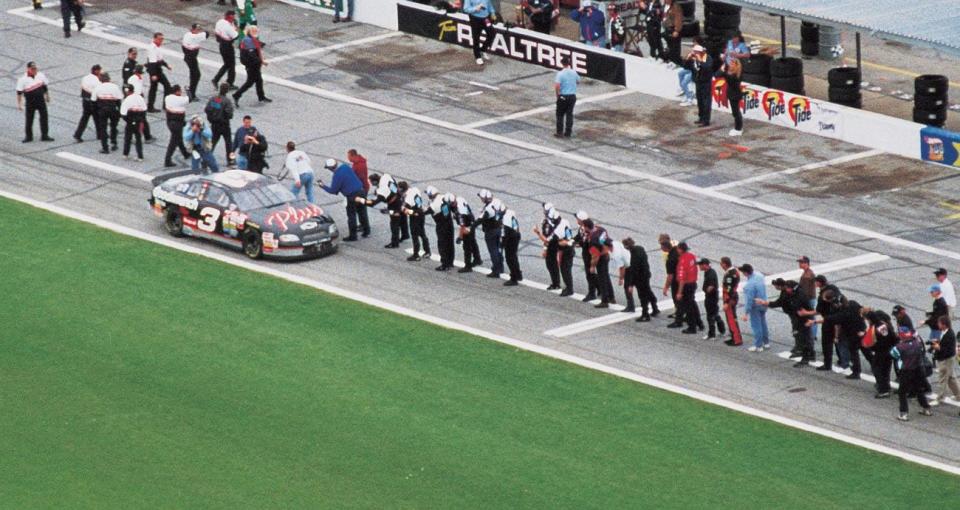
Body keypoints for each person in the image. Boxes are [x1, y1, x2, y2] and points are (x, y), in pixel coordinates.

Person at [761, 279, 815, 367]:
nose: (786, 290)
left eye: (788, 288)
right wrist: (767, 303)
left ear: (792, 288)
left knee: (805, 338)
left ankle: (806, 358)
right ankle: (804, 352)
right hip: (796, 317)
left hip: (804, 319)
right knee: (799, 335)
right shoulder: (789, 292)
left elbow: (794, 305)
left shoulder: (800, 295)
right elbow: (780, 302)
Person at [820, 293, 868, 379]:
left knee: (854, 354)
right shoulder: (853, 303)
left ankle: (856, 372)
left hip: (852, 335)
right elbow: (862, 311)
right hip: (861, 331)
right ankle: (875, 367)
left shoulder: (843, 314)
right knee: (866, 351)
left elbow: (832, 320)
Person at [890, 328, 933, 421]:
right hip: (918, 370)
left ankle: (903, 413)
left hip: (906, 371)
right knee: (919, 389)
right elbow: (922, 353)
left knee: (902, 392)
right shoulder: (917, 344)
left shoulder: (899, 347)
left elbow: (894, 355)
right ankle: (926, 408)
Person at [318, 158, 365, 241]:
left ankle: (353, 236)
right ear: (336, 164)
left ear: (330, 168)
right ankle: (366, 230)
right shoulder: (345, 166)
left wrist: (323, 186)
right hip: (361, 190)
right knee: (362, 211)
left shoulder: (336, 176)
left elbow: (333, 190)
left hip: (352, 196)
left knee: (351, 216)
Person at [359, 173, 405, 249]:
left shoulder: (382, 192)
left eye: (371, 182)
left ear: (375, 181)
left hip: (393, 204)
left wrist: (361, 200)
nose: (371, 184)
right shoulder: (386, 176)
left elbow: (372, 203)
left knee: (394, 224)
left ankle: (395, 243)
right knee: (402, 219)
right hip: (398, 197)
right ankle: (404, 235)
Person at [623, 238, 659, 321]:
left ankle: (645, 314)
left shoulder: (633, 255)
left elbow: (634, 270)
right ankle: (655, 307)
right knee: (648, 291)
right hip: (646, 274)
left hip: (640, 278)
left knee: (642, 296)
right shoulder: (640, 248)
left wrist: (631, 284)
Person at [864, 309, 897, 399]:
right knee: (886, 370)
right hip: (890, 350)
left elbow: (874, 342)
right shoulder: (884, 325)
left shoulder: (875, 328)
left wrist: (872, 347)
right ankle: (886, 386)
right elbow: (892, 337)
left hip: (881, 352)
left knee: (877, 370)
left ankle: (883, 390)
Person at [16, 62, 53, 143]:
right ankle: (28, 137)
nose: (34, 70)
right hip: (30, 102)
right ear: (28, 69)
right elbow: (19, 92)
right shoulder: (22, 79)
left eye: (35, 69)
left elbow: (44, 86)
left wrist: (47, 96)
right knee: (29, 119)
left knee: (44, 118)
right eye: (32, 69)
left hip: (41, 101)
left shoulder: (41, 75)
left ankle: (45, 135)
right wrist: (19, 104)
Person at [233, 26, 271, 105]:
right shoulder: (248, 41)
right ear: (249, 32)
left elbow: (257, 48)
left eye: (256, 31)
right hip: (251, 65)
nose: (255, 32)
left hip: (254, 64)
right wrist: (261, 61)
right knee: (250, 82)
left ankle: (261, 96)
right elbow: (252, 54)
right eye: (253, 31)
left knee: (259, 80)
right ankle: (237, 94)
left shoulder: (251, 39)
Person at [814, 275, 844, 371]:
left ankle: (827, 364)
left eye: (816, 282)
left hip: (828, 321)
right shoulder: (834, 289)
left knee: (826, 344)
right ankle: (842, 359)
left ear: (819, 283)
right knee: (838, 341)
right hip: (839, 318)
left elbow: (819, 310)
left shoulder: (822, 296)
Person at [930, 315, 960, 406]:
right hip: (948, 359)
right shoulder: (946, 332)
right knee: (951, 378)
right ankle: (959, 395)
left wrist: (938, 347)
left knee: (942, 379)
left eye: (939, 323)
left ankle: (939, 398)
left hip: (946, 360)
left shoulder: (949, 335)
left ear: (944, 325)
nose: (938, 324)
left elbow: (947, 350)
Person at [586, 219, 616, 308]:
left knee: (602, 279)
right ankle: (612, 297)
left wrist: (592, 266)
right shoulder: (601, 229)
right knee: (606, 276)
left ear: (587, 227)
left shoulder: (593, 240)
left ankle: (604, 301)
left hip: (602, 258)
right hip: (606, 255)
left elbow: (596, 256)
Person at [475, 189, 504, 278]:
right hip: (499, 228)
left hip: (491, 231)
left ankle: (496, 270)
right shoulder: (497, 202)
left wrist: (472, 227)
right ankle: (501, 267)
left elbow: (481, 220)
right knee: (498, 249)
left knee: (493, 251)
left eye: (482, 198)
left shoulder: (488, 209)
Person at [205, 83, 235, 166]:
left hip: (214, 125)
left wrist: (211, 119)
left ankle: (206, 160)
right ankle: (230, 160)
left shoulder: (213, 99)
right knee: (229, 144)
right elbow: (229, 114)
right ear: (227, 90)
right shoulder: (227, 101)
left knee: (212, 143)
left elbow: (207, 109)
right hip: (224, 125)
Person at [739, 264, 768, 352]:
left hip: (755, 306)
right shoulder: (759, 276)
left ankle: (758, 345)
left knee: (756, 326)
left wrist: (746, 313)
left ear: (746, 272)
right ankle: (766, 342)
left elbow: (749, 301)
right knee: (763, 323)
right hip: (764, 302)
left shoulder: (749, 285)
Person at [674, 242, 702, 334]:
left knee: (688, 307)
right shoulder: (691, 256)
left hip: (686, 286)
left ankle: (692, 327)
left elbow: (682, 279)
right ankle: (699, 323)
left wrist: (679, 292)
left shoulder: (682, 261)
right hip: (693, 283)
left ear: (681, 250)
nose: (677, 250)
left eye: (678, 249)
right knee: (693, 304)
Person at [400, 182, 431, 261]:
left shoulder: (408, 199)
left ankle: (416, 255)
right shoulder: (415, 190)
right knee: (422, 233)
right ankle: (427, 251)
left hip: (415, 216)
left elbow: (406, 210)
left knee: (415, 236)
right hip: (421, 213)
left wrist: (407, 211)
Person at [426, 188, 455, 271]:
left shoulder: (434, 204)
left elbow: (424, 212)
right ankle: (450, 262)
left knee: (442, 245)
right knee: (450, 243)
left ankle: (444, 264)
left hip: (441, 225)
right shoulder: (443, 197)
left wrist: (410, 212)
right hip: (449, 223)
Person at [533, 204, 561, 290]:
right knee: (554, 265)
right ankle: (556, 282)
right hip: (558, 243)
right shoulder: (558, 218)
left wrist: (538, 232)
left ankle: (555, 283)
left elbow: (546, 239)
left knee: (551, 265)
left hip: (552, 245)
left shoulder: (547, 224)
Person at [93, 72, 122, 153]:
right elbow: (119, 99)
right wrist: (120, 111)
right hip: (113, 108)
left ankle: (105, 147)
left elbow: (93, 100)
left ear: (101, 79)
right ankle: (114, 143)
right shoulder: (115, 87)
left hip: (102, 109)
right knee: (113, 127)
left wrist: (96, 111)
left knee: (103, 128)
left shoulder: (98, 87)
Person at [452, 196, 483, 271]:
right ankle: (477, 259)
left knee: (466, 247)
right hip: (471, 221)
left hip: (467, 226)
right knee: (473, 242)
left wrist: (460, 237)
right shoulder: (460, 199)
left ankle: (468, 266)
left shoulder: (460, 214)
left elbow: (463, 227)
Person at [73, 64, 102, 142]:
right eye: (99, 71)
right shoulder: (96, 80)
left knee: (84, 118)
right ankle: (100, 134)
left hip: (85, 101)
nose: (100, 72)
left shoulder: (85, 78)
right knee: (97, 118)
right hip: (93, 101)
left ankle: (78, 134)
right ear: (96, 71)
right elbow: (98, 91)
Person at [574, 211, 598, 302]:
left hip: (590, 254)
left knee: (590, 274)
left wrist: (579, 244)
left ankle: (592, 293)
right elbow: (579, 236)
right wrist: (573, 240)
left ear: (581, 220)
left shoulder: (588, 230)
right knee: (590, 273)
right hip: (587, 252)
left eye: (577, 218)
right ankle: (600, 288)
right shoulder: (582, 227)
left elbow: (585, 242)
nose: (576, 219)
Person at [163, 85, 190, 167]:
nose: (181, 92)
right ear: (177, 91)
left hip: (170, 121)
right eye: (180, 91)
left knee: (178, 138)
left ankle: (185, 153)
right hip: (177, 123)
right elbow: (190, 98)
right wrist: (188, 90)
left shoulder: (167, 98)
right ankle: (167, 160)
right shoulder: (181, 100)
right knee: (173, 142)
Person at [698, 258, 725, 339]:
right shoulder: (709, 272)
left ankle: (711, 334)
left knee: (710, 316)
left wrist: (707, 291)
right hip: (712, 296)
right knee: (715, 314)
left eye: (700, 265)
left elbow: (711, 286)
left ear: (705, 265)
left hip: (711, 297)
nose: (699, 266)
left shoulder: (710, 274)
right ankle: (722, 330)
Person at [462, 0, 495, 66]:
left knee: (492, 33)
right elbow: (466, 9)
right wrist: (476, 8)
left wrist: (492, 12)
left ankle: (483, 50)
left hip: (486, 18)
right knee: (476, 38)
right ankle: (477, 56)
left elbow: (489, 4)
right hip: (475, 19)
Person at [146, 33, 173, 113]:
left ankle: (164, 105)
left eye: (162, 39)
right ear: (154, 39)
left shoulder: (158, 48)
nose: (161, 41)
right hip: (154, 70)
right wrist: (153, 74)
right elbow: (152, 63)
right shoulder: (152, 48)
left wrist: (166, 65)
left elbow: (160, 59)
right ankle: (150, 107)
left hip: (158, 69)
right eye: (159, 39)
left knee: (166, 86)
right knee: (154, 88)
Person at [182, 24, 209, 102]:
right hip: (192, 59)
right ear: (193, 29)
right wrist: (203, 30)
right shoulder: (195, 37)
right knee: (197, 75)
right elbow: (207, 34)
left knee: (193, 73)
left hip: (187, 57)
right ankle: (192, 93)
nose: (198, 31)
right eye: (197, 29)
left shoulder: (187, 34)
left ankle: (191, 89)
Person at [213, 10, 239, 90]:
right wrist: (236, 28)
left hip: (222, 45)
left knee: (227, 64)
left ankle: (216, 79)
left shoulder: (220, 22)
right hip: (228, 47)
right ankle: (229, 83)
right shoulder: (229, 27)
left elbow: (217, 32)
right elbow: (236, 36)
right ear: (230, 17)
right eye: (233, 17)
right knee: (231, 65)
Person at [119, 84, 147, 161]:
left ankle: (125, 154)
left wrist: (129, 121)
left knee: (127, 138)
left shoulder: (127, 100)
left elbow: (123, 114)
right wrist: (141, 120)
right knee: (138, 139)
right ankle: (140, 156)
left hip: (130, 120)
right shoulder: (140, 97)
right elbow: (144, 109)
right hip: (139, 120)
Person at [554, 57, 579, 138]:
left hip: (563, 96)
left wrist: (558, 95)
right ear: (569, 63)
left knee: (560, 114)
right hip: (572, 96)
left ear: (562, 63)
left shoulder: (560, 74)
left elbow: (557, 86)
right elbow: (578, 81)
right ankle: (568, 132)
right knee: (569, 114)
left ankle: (560, 132)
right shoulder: (574, 72)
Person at [660, 234, 682, 326]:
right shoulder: (676, 250)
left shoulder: (670, 258)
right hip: (681, 277)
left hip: (676, 279)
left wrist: (665, 287)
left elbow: (670, 275)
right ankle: (679, 313)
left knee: (677, 298)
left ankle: (679, 319)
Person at [719, 258, 742, 346]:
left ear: (725, 264)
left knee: (731, 319)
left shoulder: (729, 275)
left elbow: (729, 289)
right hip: (733, 296)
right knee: (732, 318)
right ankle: (735, 337)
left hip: (729, 298)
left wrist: (726, 302)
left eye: (721, 263)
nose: (720, 265)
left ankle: (736, 339)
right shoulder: (735, 271)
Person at [797, 256, 817, 353]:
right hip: (811, 298)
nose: (800, 264)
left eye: (801, 262)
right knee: (812, 317)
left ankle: (811, 337)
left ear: (806, 263)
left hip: (808, 299)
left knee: (810, 318)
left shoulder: (806, 276)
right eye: (799, 262)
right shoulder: (808, 272)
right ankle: (813, 335)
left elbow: (803, 291)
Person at [553, 210, 576, 297]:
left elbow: (560, 242)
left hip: (565, 250)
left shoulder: (558, 230)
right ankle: (568, 287)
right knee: (566, 270)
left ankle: (570, 289)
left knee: (565, 270)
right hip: (569, 248)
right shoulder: (565, 221)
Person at [692, 45, 716, 127]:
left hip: (706, 82)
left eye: (696, 52)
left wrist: (700, 61)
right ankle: (701, 117)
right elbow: (690, 67)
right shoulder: (695, 59)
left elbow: (707, 67)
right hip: (698, 82)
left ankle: (706, 120)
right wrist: (687, 60)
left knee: (706, 101)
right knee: (700, 101)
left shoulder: (707, 58)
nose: (695, 54)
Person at [501, 206, 523, 285]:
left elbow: (506, 232)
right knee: (514, 257)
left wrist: (503, 243)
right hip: (516, 236)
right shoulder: (511, 213)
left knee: (510, 259)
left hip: (511, 239)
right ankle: (518, 274)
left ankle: (514, 278)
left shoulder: (506, 218)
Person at [608, 238, 631, 311]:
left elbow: (622, 268)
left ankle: (630, 306)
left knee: (627, 287)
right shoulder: (615, 242)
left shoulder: (616, 255)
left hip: (629, 267)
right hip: (630, 259)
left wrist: (621, 279)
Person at [725, 58, 744, 136]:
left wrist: (724, 72)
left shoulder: (736, 74)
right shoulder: (731, 73)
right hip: (732, 94)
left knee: (736, 112)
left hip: (735, 95)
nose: (730, 65)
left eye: (732, 64)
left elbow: (729, 80)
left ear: (736, 65)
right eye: (730, 63)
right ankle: (738, 127)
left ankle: (738, 128)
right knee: (735, 112)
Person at [662, 0, 683, 66]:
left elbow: (678, 18)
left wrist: (676, 30)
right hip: (667, 28)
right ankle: (671, 60)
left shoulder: (676, 7)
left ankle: (676, 62)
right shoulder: (664, 5)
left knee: (675, 47)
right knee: (670, 46)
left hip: (673, 29)